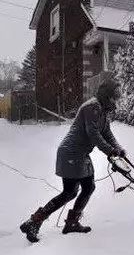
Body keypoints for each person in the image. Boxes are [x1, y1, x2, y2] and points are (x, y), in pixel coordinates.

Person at [19, 79, 126, 243]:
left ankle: (71, 222)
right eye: (114, 97)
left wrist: (119, 148)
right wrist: (110, 151)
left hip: (81, 154)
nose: (115, 100)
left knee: (88, 187)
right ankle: (35, 221)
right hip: (70, 153)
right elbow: (93, 134)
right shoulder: (92, 107)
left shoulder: (103, 111)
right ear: (106, 95)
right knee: (69, 192)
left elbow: (107, 134)